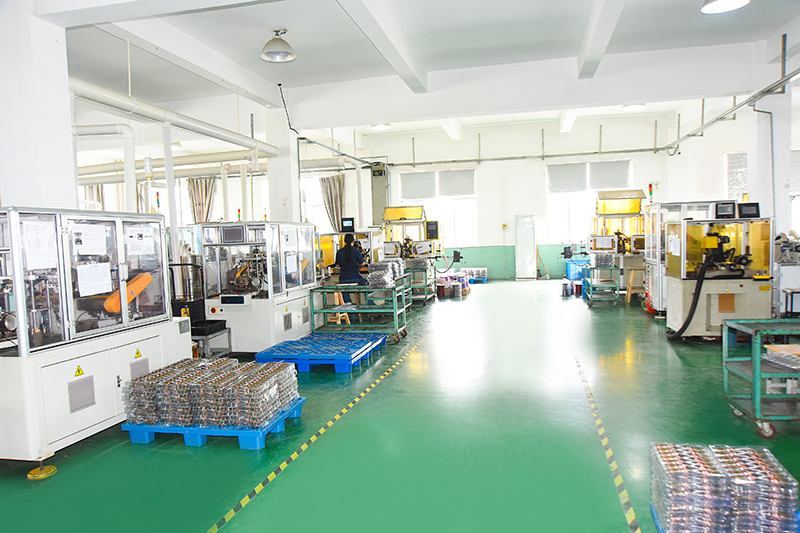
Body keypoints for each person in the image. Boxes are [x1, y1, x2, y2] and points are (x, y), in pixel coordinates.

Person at [335, 234, 366, 304]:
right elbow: (363, 263)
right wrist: (357, 264)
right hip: (355, 277)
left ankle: (347, 302)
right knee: (366, 285)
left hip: (343, 278)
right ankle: (370, 302)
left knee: (344, 286)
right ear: (353, 241)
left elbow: (337, 265)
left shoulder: (339, 252)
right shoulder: (356, 251)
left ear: (344, 242)